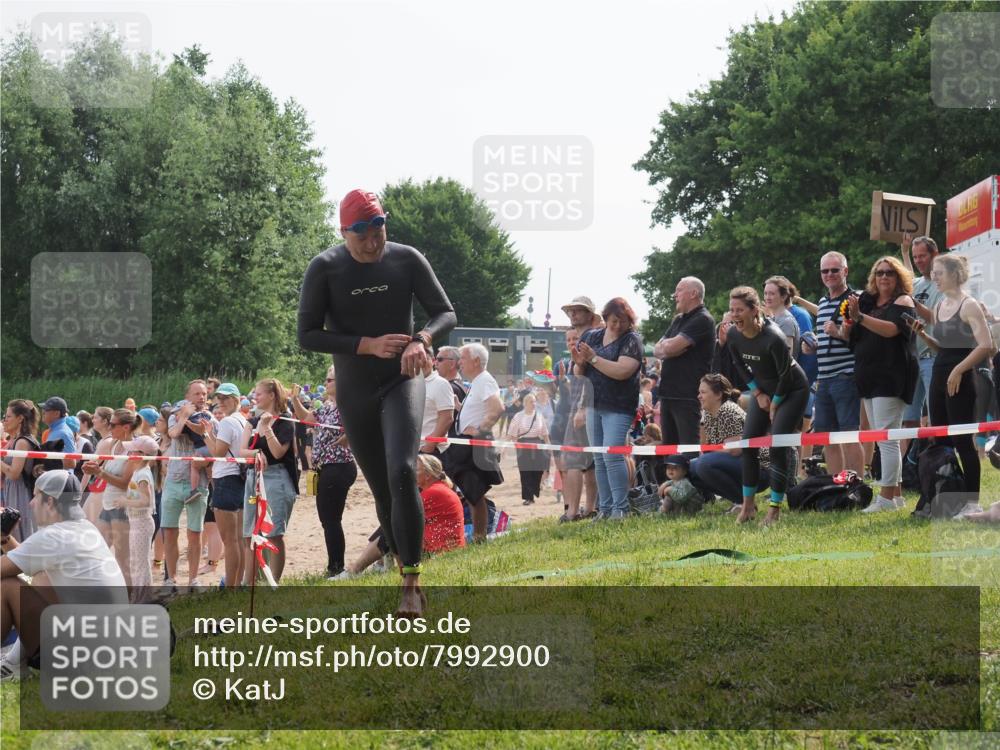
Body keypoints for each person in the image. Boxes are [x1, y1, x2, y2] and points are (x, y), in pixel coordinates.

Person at [298, 188, 456, 616]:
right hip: (355, 390)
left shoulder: (406, 258)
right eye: (362, 234)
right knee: (382, 488)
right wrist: (365, 344)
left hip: (401, 380)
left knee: (404, 469)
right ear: (344, 232)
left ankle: (412, 581)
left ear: (386, 222)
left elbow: (445, 312)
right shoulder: (325, 268)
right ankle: (397, 562)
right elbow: (307, 334)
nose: (372, 242)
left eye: (379, 228)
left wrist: (421, 339)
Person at [0, 471, 127, 680]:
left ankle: (13, 666)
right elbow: (29, 559)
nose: (31, 503)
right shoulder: (84, 529)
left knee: (5, 586)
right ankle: (14, 663)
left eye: (36, 496)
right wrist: (4, 538)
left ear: (49, 501)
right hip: (107, 651)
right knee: (41, 575)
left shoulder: (53, 536)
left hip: (82, 655)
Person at [910, 254, 993, 504]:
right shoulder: (939, 306)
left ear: (955, 275)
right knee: (941, 439)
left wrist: (958, 370)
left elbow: (986, 345)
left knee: (962, 440)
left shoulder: (969, 305)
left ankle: (972, 502)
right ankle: (948, 494)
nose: (934, 277)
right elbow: (944, 348)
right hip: (939, 376)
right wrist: (923, 335)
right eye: (933, 273)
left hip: (962, 377)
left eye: (939, 273)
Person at [837, 257, 917, 512]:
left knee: (887, 438)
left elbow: (892, 330)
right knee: (884, 435)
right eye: (880, 272)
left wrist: (860, 317)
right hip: (867, 376)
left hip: (890, 377)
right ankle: (897, 496)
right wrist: (849, 322)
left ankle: (884, 499)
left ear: (899, 277)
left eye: (890, 273)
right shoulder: (868, 303)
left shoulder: (903, 301)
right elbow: (851, 336)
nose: (884, 277)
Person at [726, 287, 810, 526]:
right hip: (763, 391)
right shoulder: (733, 335)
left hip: (792, 390)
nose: (735, 315)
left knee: (776, 446)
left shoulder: (773, 336)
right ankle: (748, 506)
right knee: (749, 444)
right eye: (732, 310)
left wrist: (773, 404)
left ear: (755, 310)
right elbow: (739, 365)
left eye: (740, 310)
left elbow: (785, 376)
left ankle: (774, 509)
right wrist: (758, 392)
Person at [574, 297, 643, 519]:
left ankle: (620, 509)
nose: (617, 325)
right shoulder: (591, 336)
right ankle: (604, 508)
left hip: (619, 406)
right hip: (594, 404)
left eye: (622, 320)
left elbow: (623, 371)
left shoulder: (632, 340)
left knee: (613, 455)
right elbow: (578, 374)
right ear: (605, 319)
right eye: (613, 321)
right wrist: (580, 363)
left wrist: (593, 359)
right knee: (600, 457)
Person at [291, 368, 357, 579]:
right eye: (327, 379)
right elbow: (307, 418)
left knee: (331, 520)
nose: (326, 382)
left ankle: (336, 567)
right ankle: (335, 566)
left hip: (338, 465)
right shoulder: (328, 406)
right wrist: (294, 400)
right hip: (326, 467)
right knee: (328, 520)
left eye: (331, 379)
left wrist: (351, 435)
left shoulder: (349, 404)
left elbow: (363, 423)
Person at [811, 252, 865, 477]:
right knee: (826, 437)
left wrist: (838, 333)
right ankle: (837, 485)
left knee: (849, 435)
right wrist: (812, 345)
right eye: (825, 270)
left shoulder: (855, 299)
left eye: (835, 270)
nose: (829, 274)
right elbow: (825, 338)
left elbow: (861, 339)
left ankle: (856, 485)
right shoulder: (823, 302)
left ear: (845, 271)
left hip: (846, 375)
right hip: (824, 377)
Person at [241, 379, 298, 585]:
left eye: (259, 394)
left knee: (274, 534)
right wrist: (257, 452)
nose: (255, 397)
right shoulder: (251, 421)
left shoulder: (286, 420)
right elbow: (242, 451)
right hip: (253, 477)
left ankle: (274, 583)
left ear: (272, 395)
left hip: (277, 477)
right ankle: (249, 582)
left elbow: (278, 452)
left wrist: (267, 428)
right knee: (250, 534)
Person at [161, 380, 217, 589]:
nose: (201, 397)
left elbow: (216, 450)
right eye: (197, 394)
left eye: (204, 394)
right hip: (174, 480)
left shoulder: (210, 418)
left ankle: (193, 579)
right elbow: (174, 434)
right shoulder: (176, 414)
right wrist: (184, 416)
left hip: (198, 483)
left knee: (195, 533)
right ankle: (170, 579)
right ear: (187, 396)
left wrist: (206, 461)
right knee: (169, 530)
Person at [688, 374, 771, 507]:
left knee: (703, 464)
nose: (699, 396)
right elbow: (707, 446)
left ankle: (743, 503)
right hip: (739, 465)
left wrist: (709, 451)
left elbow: (734, 450)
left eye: (703, 392)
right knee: (689, 467)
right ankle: (715, 499)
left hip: (759, 470)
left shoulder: (728, 411)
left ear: (718, 395)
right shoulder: (708, 414)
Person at [82, 408, 142, 586]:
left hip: (122, 507)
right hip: (108, 504)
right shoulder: (115, 444)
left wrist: (98, 472)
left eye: (113, 425)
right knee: (97, 551)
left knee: (123, 559)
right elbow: (107, 472)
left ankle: (130, 599)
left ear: (126, 427)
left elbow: (126, 483)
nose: (110, 428)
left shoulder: (135, 450)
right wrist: (92, 469)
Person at [654, 277, 715, 448]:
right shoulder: (678, 320)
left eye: (679, 290)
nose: (675, 295)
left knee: (688, 452)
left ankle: (690, 477)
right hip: (668, 394)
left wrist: (669, 348)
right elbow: (658, 350)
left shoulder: (703, 319)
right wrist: (669, 348)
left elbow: (670, 347)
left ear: (694, 293)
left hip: (688, 395)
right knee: (669, 452)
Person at [452, 343, 505, 540]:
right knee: (471, 491)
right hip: (468, 444)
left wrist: (481, 429)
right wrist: (460, 410)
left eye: (463, 359)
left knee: (475, 491)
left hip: (474, 445)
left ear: (476, 361)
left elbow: (497, 408)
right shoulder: (478, 381)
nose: (460, 363)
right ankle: (478, 535)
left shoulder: (484, 380)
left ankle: (479, 537)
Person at [899, 233, 943, 461]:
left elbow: (937, 318)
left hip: (933, 357)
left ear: (934, 254)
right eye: (915, 257)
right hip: (913, 359)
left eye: (922, 256)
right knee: (909, 417)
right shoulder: (917, 283)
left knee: (936, 415)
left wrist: (912, 302)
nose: (918, 261)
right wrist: (905, 252)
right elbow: (908, 276)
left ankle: (938, 463)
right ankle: (906, 467)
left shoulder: (944, 283)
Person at [201, 383, 248, 588]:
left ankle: (231, 586)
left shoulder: (228, 421)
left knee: (230, 541)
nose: (221, 402)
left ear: (236, 399)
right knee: (237, 540)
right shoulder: (242, 420)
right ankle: (236, 583)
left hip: (226, 480)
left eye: (226, 398)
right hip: (238, 479)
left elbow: (218, 453)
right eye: (219, 398)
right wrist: (211, 434)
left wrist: (205, 435)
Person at [113, 435, 158, 602]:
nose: (129, 452)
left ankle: (143, 596)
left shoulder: (143, 475)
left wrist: (126, 501)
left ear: (140, 454)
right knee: (137, 562)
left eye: (132, 450)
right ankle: (140, 596)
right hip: (136, 522)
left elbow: (146, 501)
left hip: (142, 522)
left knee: (141, 563)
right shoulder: (138, 472)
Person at [0, 400, 41, 541]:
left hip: (21, 493)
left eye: (8, 416)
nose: (4, 420)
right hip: (12, 491)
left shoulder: (22, 442)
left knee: (19, 533)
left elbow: (14, 473)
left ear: (20, 418)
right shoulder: (15, 441)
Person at [415, 454, 465, 553]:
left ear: (428, 475)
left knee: (394, 528)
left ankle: (385, 563)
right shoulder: (439, 488)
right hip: (448, 549)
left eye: (415, 470)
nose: (411, 473)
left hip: (442, 551)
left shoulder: (433, 492)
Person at [506, 393, 550, 505]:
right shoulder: (518, 416)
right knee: (525, 472)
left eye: (535, 401)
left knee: (538, 471)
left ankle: (535, 490)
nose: (534, 403)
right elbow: (511, 433)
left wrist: (549, 446)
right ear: (525, 403)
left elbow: (545, 433)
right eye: (531, 401)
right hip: (523, 445)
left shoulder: (539, 415)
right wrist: (504, 448)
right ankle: (528, 497)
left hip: (537, 445)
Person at [420, 356, 455, 457]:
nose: (420, 362)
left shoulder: (440, 384)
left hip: (429, 452)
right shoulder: (410, 383)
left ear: (433, 360)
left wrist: (429, 446)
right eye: (417, 358)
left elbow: (447, 418)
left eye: (424, 358)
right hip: (413, 448)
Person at [763, 276, 801, 355]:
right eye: (765, 293)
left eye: (772, 294)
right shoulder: (773, 319)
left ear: (783, 297)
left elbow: (787, 357)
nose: (767, 297)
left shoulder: (786, 321)